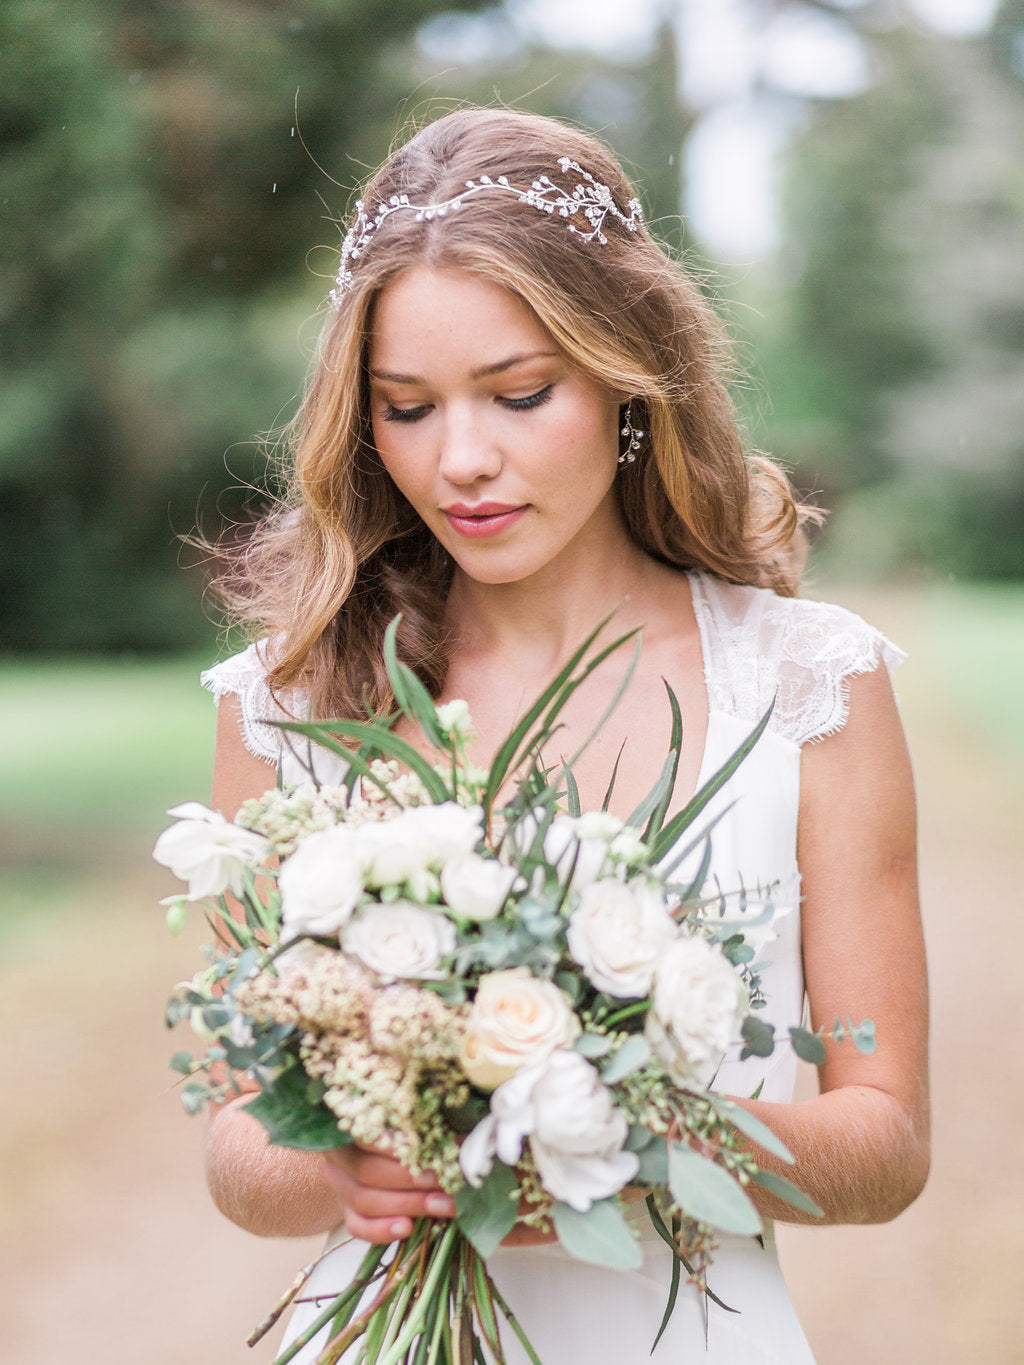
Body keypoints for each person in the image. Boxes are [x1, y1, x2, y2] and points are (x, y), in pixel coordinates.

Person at [200, 107, 929, 1362]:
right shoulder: (293, 703)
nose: (462, 461)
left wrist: (636, 1134)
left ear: (626, 378)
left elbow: (883, 1139)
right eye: (407, 408)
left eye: (519, 393)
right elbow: (233, 1144)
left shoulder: (807, 686)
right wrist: (340, 1171)